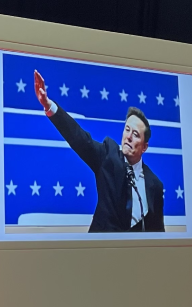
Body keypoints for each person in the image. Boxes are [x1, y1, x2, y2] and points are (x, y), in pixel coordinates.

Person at [33, 70, 165, 232]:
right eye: (127, 130)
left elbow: (157, 231)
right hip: (100, 246)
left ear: (144, 147)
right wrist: (48, 105)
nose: (128, 137)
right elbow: (79, 138)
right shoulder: (108, 156)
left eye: (136, 134)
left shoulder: (154, 185)